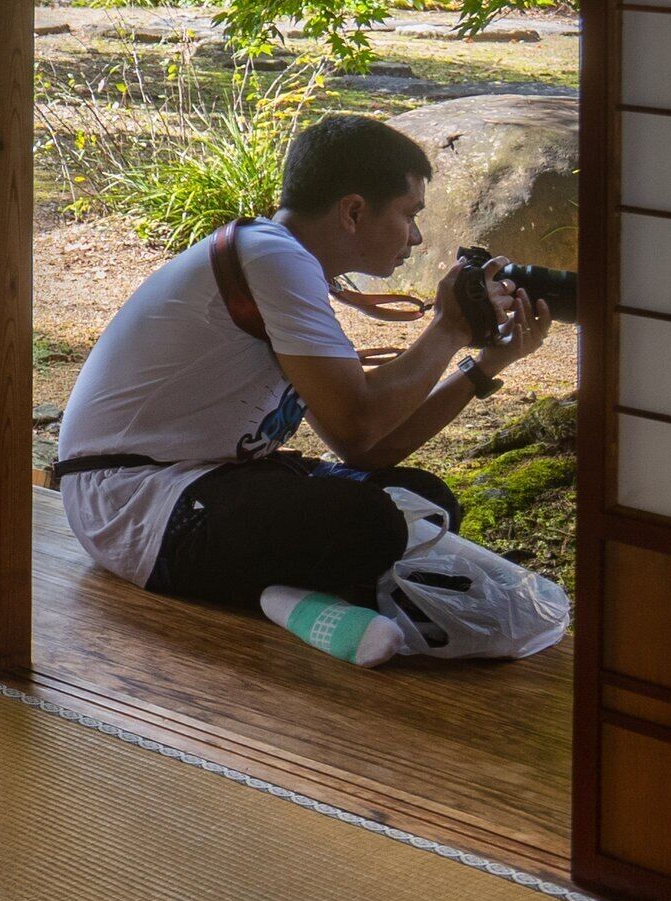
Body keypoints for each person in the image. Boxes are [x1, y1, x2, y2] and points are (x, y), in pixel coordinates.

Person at [55, 112, 553, 616]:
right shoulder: (273, 257)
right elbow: (359, 428)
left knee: (424, 498)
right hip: (135, 504)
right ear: (353, 211)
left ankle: (296, 597)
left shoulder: (287, 261)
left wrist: (486, 363)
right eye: (409, 214)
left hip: (206, 486)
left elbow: (368, 451)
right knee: (370, 522)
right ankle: (297, 607)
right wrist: (448, 329)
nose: (417, 237)